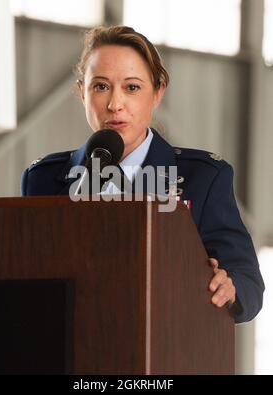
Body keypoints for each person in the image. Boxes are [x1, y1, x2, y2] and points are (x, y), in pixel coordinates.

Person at [21, 25, 264, 324]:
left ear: (157, 93)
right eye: (100, 86)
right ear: (81, 92)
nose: (114, 104)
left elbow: (248, 282)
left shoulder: (203, 178)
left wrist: (230, 287)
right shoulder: (43, 179)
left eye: (132, 87)